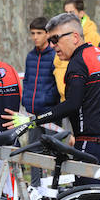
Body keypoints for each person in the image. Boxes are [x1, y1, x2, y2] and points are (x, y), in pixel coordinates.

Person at [10, 13, 100, 167]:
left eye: (55, 39)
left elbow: (72, 104)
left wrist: (33, 121)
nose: (51, 45)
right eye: (50, 40)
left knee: (85, 191)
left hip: (93, 144)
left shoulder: (78, 63)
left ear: (75, 37)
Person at [22, 17, 60, 187]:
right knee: (33, 150)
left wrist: (47, 99)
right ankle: (36, 188)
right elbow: (27, 80)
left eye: (39, 33)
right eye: (32, 33)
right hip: (32, 113)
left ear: (47, 34)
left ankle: (52, 188)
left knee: (52, 152)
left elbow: (57, 83)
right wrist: (26, 100)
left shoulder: (55, 56)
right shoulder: (30, 56)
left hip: (50, 113)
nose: (35, 37)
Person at [54, 0, 100, 99]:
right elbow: (58, 63)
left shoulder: (92, 36)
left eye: (71, 13)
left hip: (83, 98)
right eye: (66, 13)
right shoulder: (61, 34)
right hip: (63, 98)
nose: (68, 17)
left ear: (81, 13)